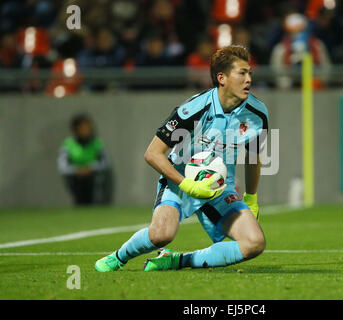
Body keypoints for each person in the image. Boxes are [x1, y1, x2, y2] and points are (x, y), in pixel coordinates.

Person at [95, 45, 268, 272]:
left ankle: (177, 260)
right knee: (161, 234)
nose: (248, 79)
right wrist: (186, 184)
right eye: (241, 73)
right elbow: (153, 154)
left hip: (219, 188)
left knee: (254, 243)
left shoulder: (257, 113)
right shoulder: (194, 109)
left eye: (250, 73)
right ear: (222, 78)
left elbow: (254, 157)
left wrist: (252, 198)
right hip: (180, 182)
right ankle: (119, 257)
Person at [58, 114, 113, 206]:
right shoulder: (68, 144)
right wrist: (76, 170)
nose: (84, 130)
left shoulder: (97, 143)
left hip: (94, 179)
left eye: (86, 127)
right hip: (75, 180)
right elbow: (62, 167)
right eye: (81, 128)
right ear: (75, 129)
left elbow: (106, 163)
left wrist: (92, 168)